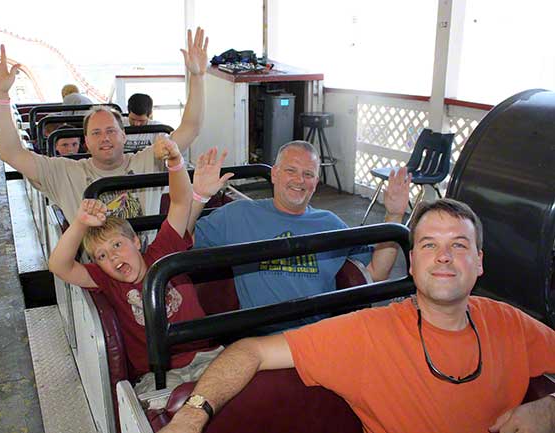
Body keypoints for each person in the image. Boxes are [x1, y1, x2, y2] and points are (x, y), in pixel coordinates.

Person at [161, 198, 555, 433]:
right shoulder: (367, 333)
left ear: (480, 262)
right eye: (430, 245)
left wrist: (548, 406)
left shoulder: (510, 323)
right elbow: (252, 351)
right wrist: (192, 415)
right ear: (413, 264)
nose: (445, 256)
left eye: (459, 244)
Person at [48, 141, 222, 400]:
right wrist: (81, 223)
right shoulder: (107, 281)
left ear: (136, 242)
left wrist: (175, 162)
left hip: (206, 357)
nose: (113, 256)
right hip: (159, 375)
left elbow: (180, 202)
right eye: (102, 256)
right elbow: (59, 266)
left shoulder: (162, 251)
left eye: (117, 244)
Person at [0, 27, 209, 223]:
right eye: (96, 133)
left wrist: (197, 77)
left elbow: (191, 127)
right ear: (86, 142)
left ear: (123, 136)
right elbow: (10, 152)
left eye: (111, 130)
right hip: (91, 273)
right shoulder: (65, 173)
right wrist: (0, 95)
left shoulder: (147, 161)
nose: (105, 137)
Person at [188, 140, 410, 330]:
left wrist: (394, 214)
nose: (299, 180)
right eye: (290, 171)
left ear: (315, 182)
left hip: (316, 337)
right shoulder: (237, 215)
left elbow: (377, 272)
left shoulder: (330, 223)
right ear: (274, 174)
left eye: (308, 174)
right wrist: (198, 196)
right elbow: (181, 241)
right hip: (260, 337)